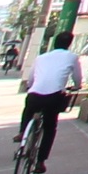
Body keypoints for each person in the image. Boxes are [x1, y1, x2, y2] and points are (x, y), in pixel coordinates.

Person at [20, 32, 82, 165]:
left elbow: (31, 78)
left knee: (28, 109)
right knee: (49, 128)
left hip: (34, 95)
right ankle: (40, 162)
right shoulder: (72, 57)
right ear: (69, 44)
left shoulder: (41, 58)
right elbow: (77, 77)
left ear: (54, 43)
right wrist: (77, 86)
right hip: (54, 97)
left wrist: (30, 86)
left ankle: (22, 132)